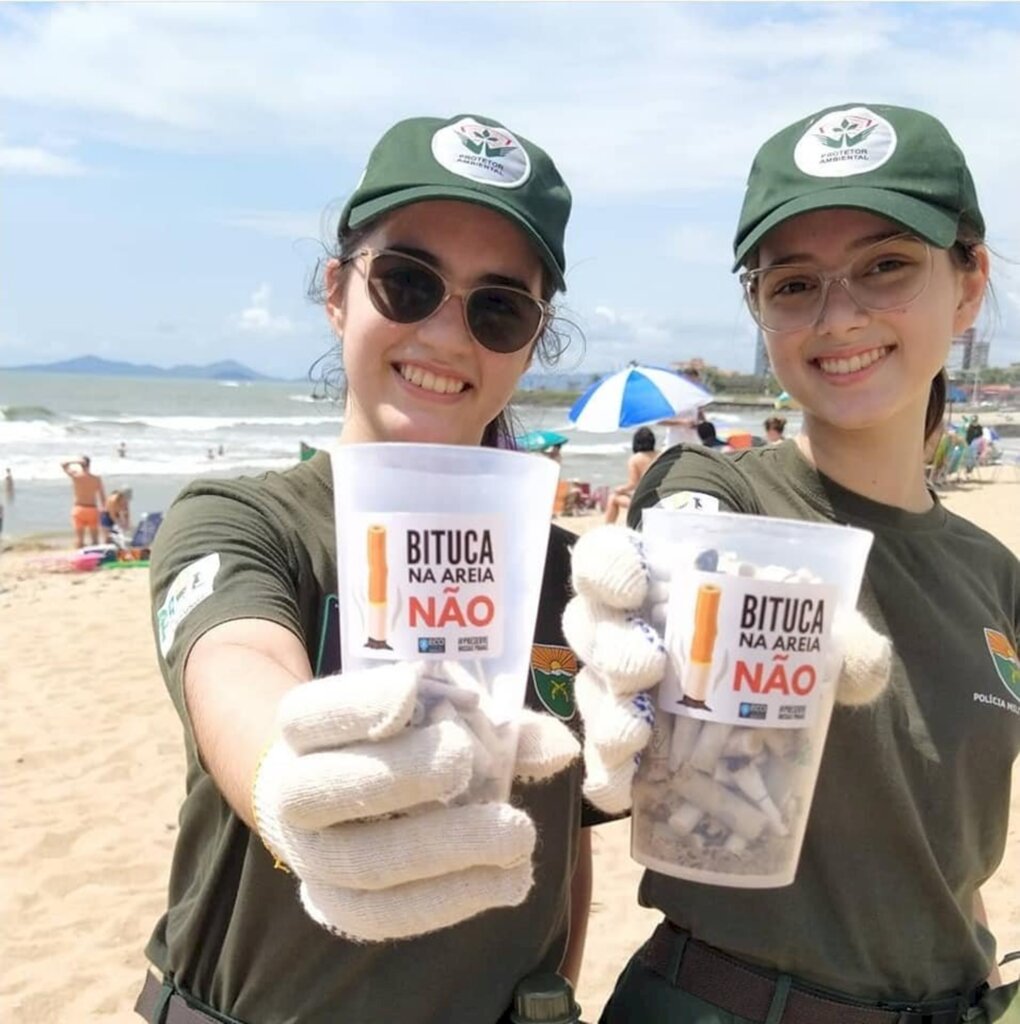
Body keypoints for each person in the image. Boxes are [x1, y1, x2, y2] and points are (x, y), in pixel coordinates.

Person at [136, 113, 608, 1024]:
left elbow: (563, 851)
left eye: (498, 306)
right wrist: (291, 785)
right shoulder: (244, 520)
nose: (443, 333)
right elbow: (235, 661)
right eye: (407, 282)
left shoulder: (564, 579)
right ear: (337, 293)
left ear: (532, 339)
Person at [566, 103, 1019, 1023]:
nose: (839, 315)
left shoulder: (994, 574)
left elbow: (943, 861)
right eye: (794, 283)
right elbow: (684, 554)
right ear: (761, 310)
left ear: (967, 284)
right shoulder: (716, 495)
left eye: (886, 267)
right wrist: (668, 618)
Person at [604, 426, 657, 525]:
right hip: (659, 497)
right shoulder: (660, 455)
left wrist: (620, 489)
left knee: (613, 498)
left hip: (644, 501)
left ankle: (607, 527)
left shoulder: (635, 459)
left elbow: (633, 484)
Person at [61, 455, 106, 547]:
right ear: (90, 464)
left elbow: (63, 464)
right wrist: (104, 510)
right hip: (92, 509)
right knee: (95, 540)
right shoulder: (96, 479)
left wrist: (75, 461)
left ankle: (80, 558)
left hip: (79, 509)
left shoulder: (76, 476)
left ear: (81, 465)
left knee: (79, 540)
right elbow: (102, 497)